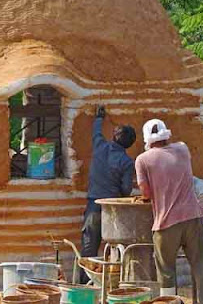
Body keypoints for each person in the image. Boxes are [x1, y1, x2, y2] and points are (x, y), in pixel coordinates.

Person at [135, 119, 203, 303]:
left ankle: (169, 301)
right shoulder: (183, 148)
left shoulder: (143, 160)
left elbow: (145, 192)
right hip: (193, 217)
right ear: (166, 134)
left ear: (147, 138)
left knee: (166, 270)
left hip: (166, 223)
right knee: (201, 265)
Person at [80, 105, 136, 283]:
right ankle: (114, 282)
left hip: (94, 205)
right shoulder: (126, 161)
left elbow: (96, 132)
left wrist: (99, 118)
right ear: (130, 144)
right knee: (115, 246)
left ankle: (85, 282)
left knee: (89, 245)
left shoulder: (99, 146)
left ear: (113, 137)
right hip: (113, 208)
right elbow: (126, 189)